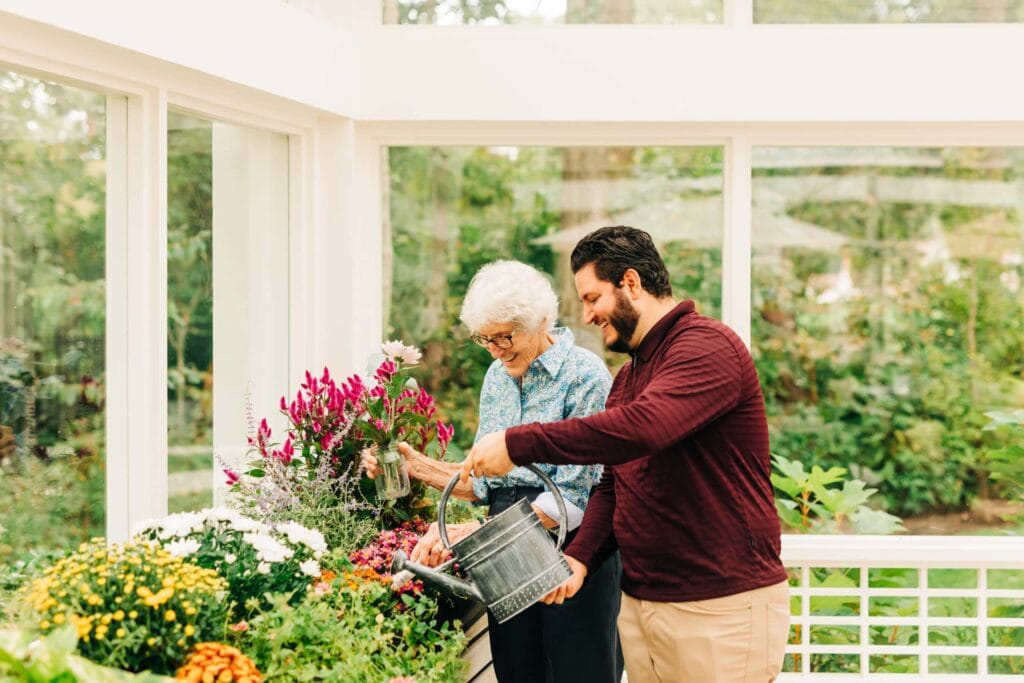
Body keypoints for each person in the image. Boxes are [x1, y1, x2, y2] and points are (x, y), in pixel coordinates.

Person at [461, 226, 790, 683]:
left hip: (717, 609)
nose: (587, 315)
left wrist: (520, 443)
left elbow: (643, 430)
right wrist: (580, 558)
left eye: (593, 297)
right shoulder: (630, 378)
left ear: (631, 283)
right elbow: (614, 482)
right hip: (644, 604)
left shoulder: (706, 347)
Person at [364, 259, 623, 683]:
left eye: (505, 336)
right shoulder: (497, 376)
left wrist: (481, 535)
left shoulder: (585, 374)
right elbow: (487, 485)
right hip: (506, 549)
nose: (496, 349)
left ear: (542, 320)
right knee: (517, 671)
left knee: (578, 672)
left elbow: (575, 497)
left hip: (572, 546)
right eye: (485, 339)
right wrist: (416, 467)